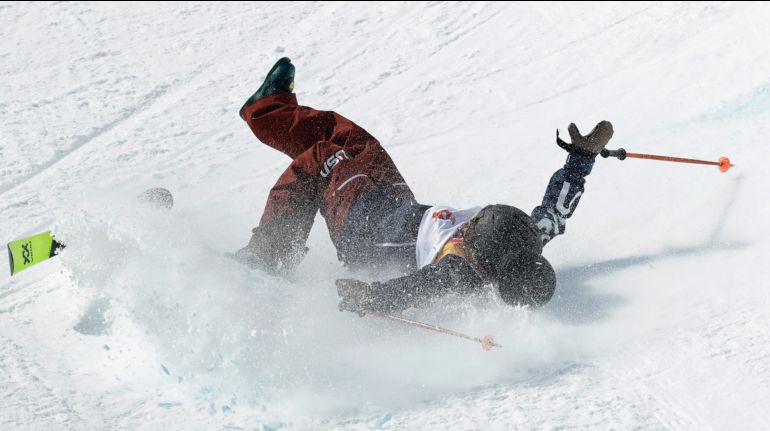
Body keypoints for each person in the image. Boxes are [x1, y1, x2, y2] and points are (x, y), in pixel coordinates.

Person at [233, 58, 613, 315]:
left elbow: (423, 286)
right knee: (354, 141)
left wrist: (373, 297)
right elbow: (554, 213)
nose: (468, 230)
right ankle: (268, 107)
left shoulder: (465, 271)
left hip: (363, 231)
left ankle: (270, 254)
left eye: (472, 234)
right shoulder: (526, 236)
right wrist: (581, 158)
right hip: (399, 205)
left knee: (322, 158)